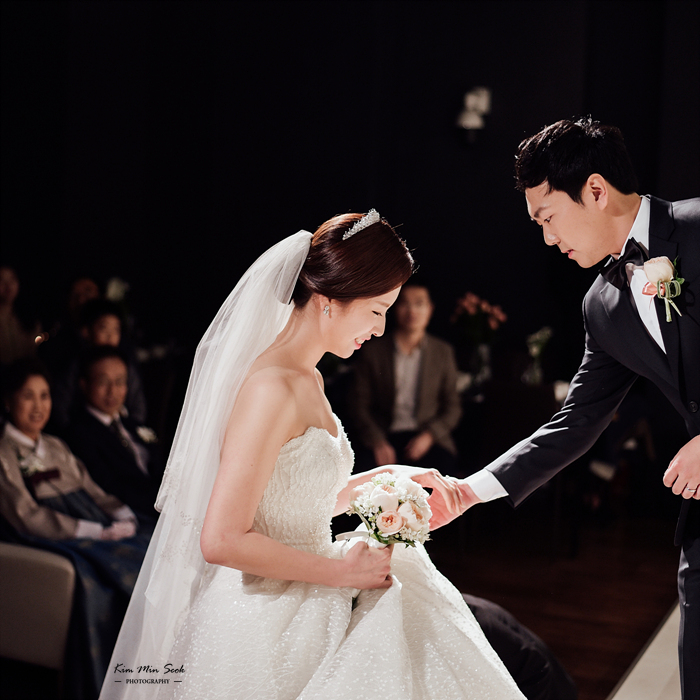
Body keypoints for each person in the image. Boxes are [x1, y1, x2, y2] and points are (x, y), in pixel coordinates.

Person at [100, 211, 525, 700]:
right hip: (269, 611)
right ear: (328, 301)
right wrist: (341, 572)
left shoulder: (310, 377)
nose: (381, 329)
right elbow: (221, 539)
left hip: (311, 577)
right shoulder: (271, 388)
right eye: (377, 310)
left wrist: (388, 476)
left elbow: (296, 501)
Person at [431, 118, 700, 700]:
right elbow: (575, 421)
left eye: (548, 218)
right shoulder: (601, 307)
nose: (548, 239)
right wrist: (467, 491)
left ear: (595, 190)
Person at [0, 358, 150, 699]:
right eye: (27, 396)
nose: (38, 406)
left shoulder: (56, 445)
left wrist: (123, 514)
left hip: (92, 519)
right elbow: (25, 515)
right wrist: (96, 532)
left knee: (148, 544)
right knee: (111, 572)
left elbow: (93, 491)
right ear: (8, 401)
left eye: (44, 396)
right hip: (49, 534)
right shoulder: (4, 453)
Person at [349, 280, 462, 474]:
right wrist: (377, 441)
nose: (412, 311)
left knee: (442, 473)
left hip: (427, 436)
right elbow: (358, 404)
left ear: (430, 309)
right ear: (394, 307)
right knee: (365, 475)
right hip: (385, 435)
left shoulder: (443, 352)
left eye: (419, 304)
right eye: (405, 303)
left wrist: (429, 436)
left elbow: (453, 407)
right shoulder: (373, 351)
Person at [66, 346, 163, 530]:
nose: (113, 391)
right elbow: (108, 486)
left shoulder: (134, 425)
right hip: (134, 517)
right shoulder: (78, 434)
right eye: (103, 382)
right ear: (84, 385)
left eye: (119, 382)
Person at [51, 299, 148, 430]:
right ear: (86, 331)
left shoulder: (124, 364)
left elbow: (137, 406)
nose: (110, 336)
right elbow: (61, 405)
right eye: (103, 328)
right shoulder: (76, 365)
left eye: (116, 329)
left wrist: (131, 431)